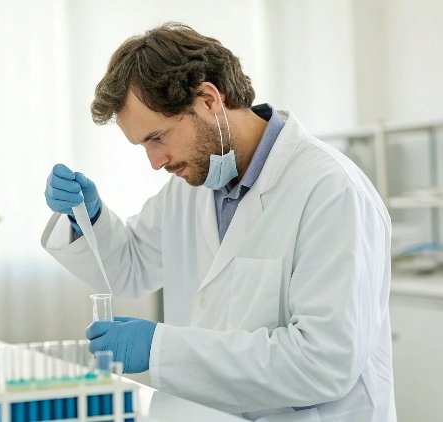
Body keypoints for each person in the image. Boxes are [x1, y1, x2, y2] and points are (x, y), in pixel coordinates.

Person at [41, 23, 395, 422]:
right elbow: (130, 267)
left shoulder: (330, 190)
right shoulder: (193, 185)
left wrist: (160, 348)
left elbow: (322, 363)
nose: (155, 162)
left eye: (157, 137)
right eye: (144, 146)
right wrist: (87, 219)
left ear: (208, 100)